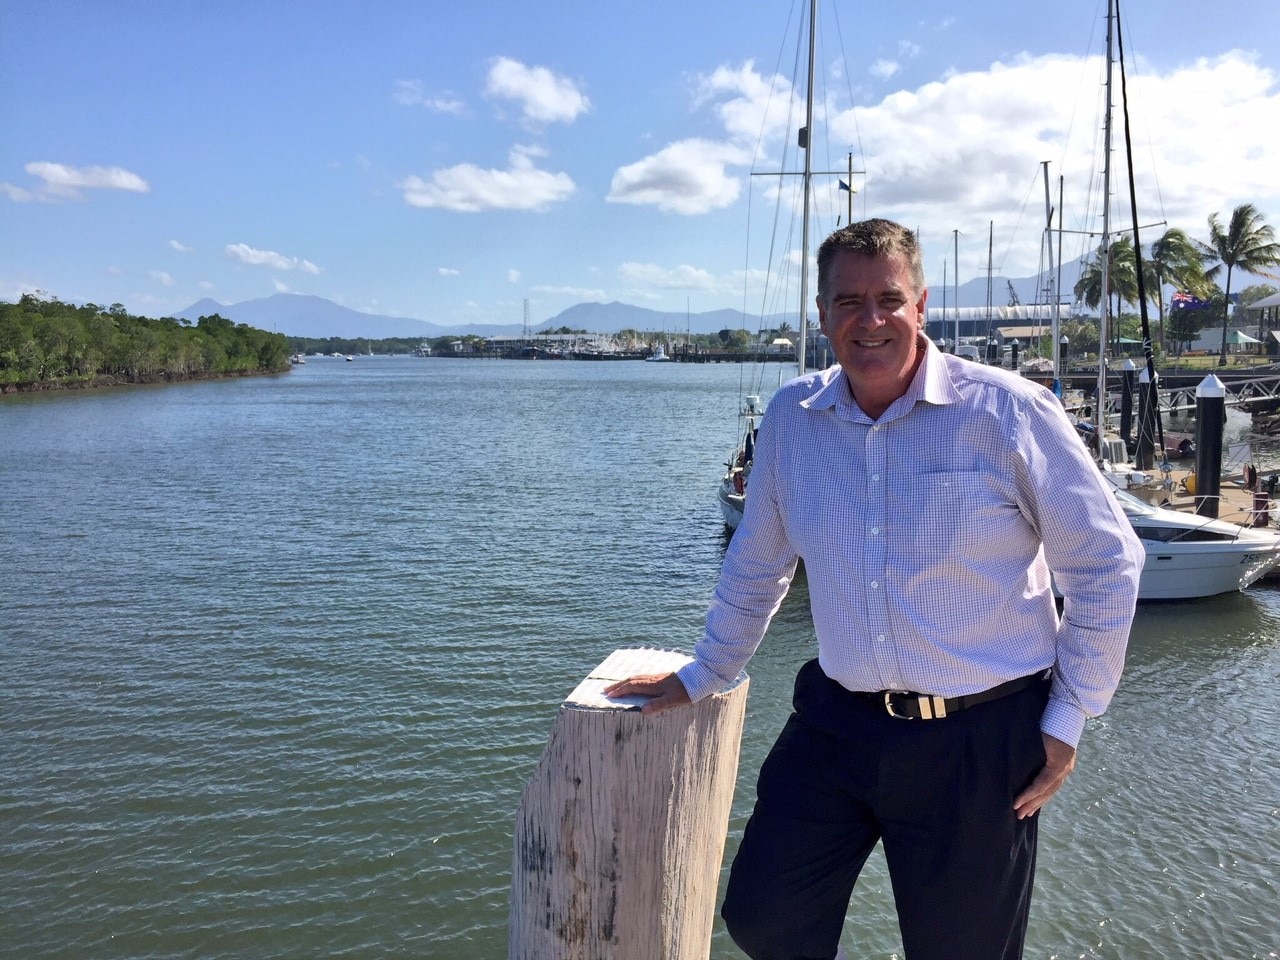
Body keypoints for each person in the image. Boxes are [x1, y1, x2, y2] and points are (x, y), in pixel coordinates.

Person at [606, 218, 1144, 960]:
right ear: (821, 314)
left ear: (921, 304)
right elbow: (759, 561)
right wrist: (707, 671)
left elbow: (1106, 563)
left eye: (889, 299)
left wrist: (1070, 714)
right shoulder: (794, 417)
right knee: (764, 917)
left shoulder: (1008, 411)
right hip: (839, 722)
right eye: (848, 301)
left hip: (979, 738)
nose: (870, 319)